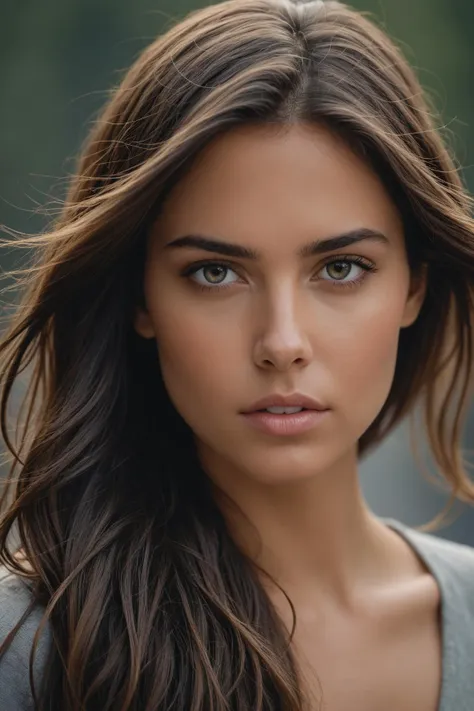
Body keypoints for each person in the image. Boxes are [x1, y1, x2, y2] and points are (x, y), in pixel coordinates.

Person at [0, 0, 473, 708]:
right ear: (141, 299)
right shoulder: (31, 649)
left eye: (340, 267)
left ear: (413, 285)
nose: (282, 341)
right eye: (215, 272)